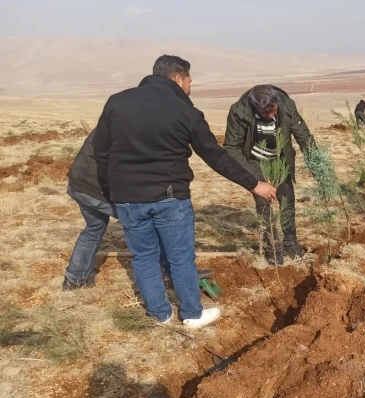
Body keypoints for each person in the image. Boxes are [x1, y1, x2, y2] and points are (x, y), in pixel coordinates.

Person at [93, 55, 277, 328]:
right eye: (190, 81)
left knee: (143, 257)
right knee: (180, 258)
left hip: (128, 199)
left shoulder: (116, 102)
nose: (191, 87)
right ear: (178, 78)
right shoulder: (185, 111)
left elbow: (101, 153)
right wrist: (254, 184)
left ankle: (160, 314)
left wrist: (114, 192)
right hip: (170, 198)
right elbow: (215, 155)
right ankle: (192, 314)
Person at [62, 132, 209, 290]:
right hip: (98, 190)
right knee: (152, 224)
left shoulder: (115, 117)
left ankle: (74, 279)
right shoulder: (132, 129)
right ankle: (172, 274)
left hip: (78, 183)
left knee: (94, 227)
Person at [223, 85, 316, 265]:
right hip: (254, 161)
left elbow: (302, 133)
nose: (272, 116)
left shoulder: (286, 105)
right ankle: (272, 246)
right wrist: (251, 179)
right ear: (254, 105)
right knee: (263, 202)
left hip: (279, 158)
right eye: (266, 114)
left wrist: (316, 162)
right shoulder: (238, 111)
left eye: (274, 111)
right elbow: (232, 148)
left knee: (287, 199)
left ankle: (290, 241)